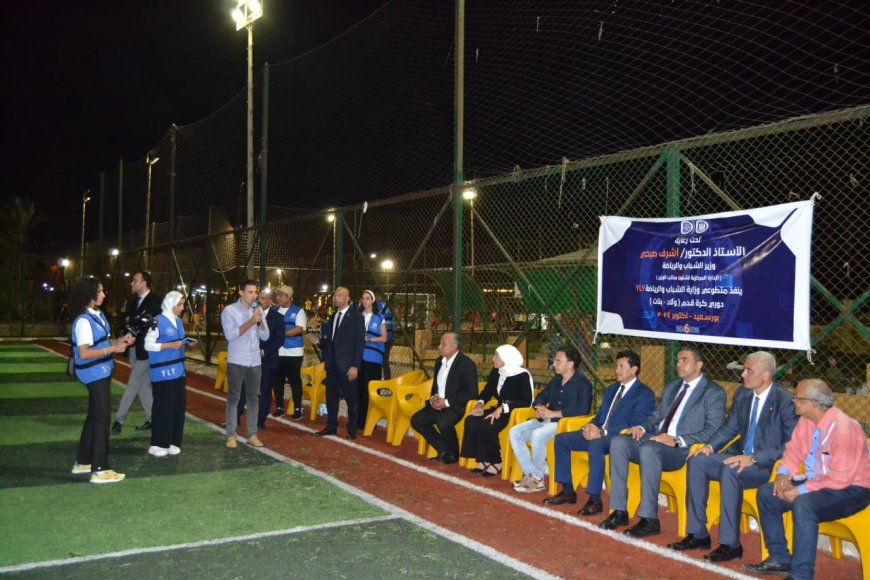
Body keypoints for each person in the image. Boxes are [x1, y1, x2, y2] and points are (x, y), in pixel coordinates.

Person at [668, 351, 797, 562]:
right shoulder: (743, 394)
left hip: (765, 465)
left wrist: (754, 458)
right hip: (739, 457)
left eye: (749, 371)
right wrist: (709, 447)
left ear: (765, 375)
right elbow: (729, 428)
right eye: (744, 369)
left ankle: (730, 544)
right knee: (697, 460)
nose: (743, 374)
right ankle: (698, 534)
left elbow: (791, 445)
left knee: (731, 469)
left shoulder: (785, 401)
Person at [744, 379, 870, 579]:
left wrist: (800, 490)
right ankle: (779, 559)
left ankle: (801, 574)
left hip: (853, 489)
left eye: (797, 398)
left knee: (804, 504)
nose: (793, 401)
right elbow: (793, 450)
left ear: (812, 403)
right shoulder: (806, 421)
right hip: (820, 481)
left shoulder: (844, 429)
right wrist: (783, 474)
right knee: (768, 493)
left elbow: (841, 478)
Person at [601, 346, 726, 537]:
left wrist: (677, 440)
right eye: (677, 360)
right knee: (618, 442)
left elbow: (713, 430)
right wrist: (642, 428)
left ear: (699, 365)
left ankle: (649, 519)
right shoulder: (673, 386)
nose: (679, 364)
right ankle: (619, 511)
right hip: (655, 440)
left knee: (649, 449)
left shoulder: (713, 393)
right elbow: (656, 416)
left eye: (684, 360)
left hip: (680, 450)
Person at [545, 350, 655, 515]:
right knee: (561, 439)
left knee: (595, 445)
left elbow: (634, 424)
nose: (616, 370)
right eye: (616, 366)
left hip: (620, 438)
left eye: (621, 366)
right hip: (600, 433)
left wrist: (602, 432)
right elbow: (600, 416)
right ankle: (568, 491)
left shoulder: (644, 394)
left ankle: (595, 500)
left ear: (634, 369)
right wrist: (588, 427)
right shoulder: (612, 389)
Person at [69, 277, 134, 483]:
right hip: (93, 373)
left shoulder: (97, 315)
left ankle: (83, 461)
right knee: (102, 418)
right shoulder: (83, 321)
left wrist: (121, 341)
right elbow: (84, 353)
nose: (104, 295)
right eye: (100, 291)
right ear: (90, 295)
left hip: (101, 371)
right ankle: (99, 469)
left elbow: (102, 342)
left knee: (94, 416)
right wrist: (113, 348)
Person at [510, 345, 593, 494]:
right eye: (554, 360)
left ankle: (537, 479)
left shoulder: (583, 384)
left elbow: (583, 409)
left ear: (570, 364)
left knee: (538, 435)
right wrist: (539, 408)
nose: (554, 364)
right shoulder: (556, 380)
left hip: (566, 424)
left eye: (558, 361)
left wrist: (553, 414)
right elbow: (541, 397)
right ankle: (532, 474)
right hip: (546, 420)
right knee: (515, 432)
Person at [459, 344, 534, 477]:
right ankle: (483, 458)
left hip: (514, 412)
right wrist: (480, 404)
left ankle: (496, 461)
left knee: (488, 424)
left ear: (507, 358)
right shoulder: (497, 371)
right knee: (471, 420)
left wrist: (504, 408)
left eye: (497, 356)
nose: (493, 359)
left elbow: (526, 401)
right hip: (499, 409)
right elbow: (488, 391)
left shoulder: (522, 375)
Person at [143, 291, 197, 457]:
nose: (182, 308)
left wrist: (186, 343)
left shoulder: (178, 321)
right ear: (170, 303)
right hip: (162, 372)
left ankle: (173, 441)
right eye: (179, 304)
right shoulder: (158, 321)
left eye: (182, 304)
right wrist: (169, 345)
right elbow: (148, 345)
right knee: (163, 407)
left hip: (178, 371)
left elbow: (177, 343)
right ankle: (158, 443)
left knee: (177, 407)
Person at [410, 332, 478, 463]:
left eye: (443, 344)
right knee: (417, 420)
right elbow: (437, 385)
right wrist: (433, 399)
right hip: (438, 404)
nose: (439, 346)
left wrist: (446, 402)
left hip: (455, 406)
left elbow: (471, 392)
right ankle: (442, 448)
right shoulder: (439, 361)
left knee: (443, 422)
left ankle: (453, 452)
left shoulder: (466, 364)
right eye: (440, 343)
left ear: (454, 346)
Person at [220, 279, 269, 449]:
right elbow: (231, 335)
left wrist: (259, 321)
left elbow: (265, 336)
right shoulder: (229, 311)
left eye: (256, 292)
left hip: (255, 361)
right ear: (241, 293)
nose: (254, 295)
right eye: (250, 292)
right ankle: (231, 435)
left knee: (253, 398)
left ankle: (252, 434)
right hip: (237, 360)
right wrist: (251, 321)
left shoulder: (258, 310)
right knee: (234, 398)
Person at [112, 271, 162, 434]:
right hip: (134, 349)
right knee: (143, 385)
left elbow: (149, 325)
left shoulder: (156, 301)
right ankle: (154, 419)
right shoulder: (133, 302)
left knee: (133, 383)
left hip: (147, 350)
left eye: (135, 280)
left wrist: (134, 327)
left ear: (144, 282)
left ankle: (119, 420)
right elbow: (126, 321)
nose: (131, 283)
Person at [315, 286, 365, 439]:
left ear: (347, 298)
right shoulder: (333, 317)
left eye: (340, 295)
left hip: (348, 366)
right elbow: (332, 341)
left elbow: (359, 343)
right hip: (332, 365)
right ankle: (331, 427)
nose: (336, 298)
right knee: (331, 398)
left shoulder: (356, 317)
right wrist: (318, 342)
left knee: (351, 399)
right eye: (335, 295)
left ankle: (352, 430)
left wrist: (355, 366)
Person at [274, 285, 307, 420]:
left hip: (294, 353)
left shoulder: (298, 311)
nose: (278, 298)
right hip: (277, 352)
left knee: (295, 381)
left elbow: (299, 329)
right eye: (278, 295)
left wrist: (281, 334)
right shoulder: (274, 310)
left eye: (281, 295)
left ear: (288, 297)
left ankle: (298, 408)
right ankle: (279, 407)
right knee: (277, 381)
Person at [254, 288, 284, 429]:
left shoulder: (278, 318)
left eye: (263, 298)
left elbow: (279, 340)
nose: (260, 300)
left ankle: (260, 421)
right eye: (259, 298)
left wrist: (264, 352)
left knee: (265, 391)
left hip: (268, 360)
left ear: (270, 301)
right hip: (250, 359)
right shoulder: (251, 314)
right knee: (245, 389)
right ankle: (236, 417)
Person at [358, 290, 387, 431]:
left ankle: (370, 421)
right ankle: (360, 420)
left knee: (370, 390)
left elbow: (384, 338)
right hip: (359, 357)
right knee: (359, 389)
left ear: (372, 301)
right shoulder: (358, 316)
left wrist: (369, 339)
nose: (365, 301)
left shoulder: (379, 317)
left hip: (373, 359)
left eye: (368, 298)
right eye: (363, 298)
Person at [376, 292, 395, 379]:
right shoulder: (388, 305)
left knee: (379, 361)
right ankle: (387, 379)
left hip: (381, 337)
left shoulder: (376, 304)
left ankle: (380, 379)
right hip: (390, 337)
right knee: (385, 361)